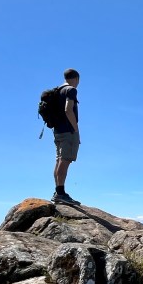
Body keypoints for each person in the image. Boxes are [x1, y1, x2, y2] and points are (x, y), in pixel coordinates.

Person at [52, 68, 82, 205]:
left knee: (59, 160)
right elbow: (68, 110)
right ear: (76, 78)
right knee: (65, 161)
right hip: (68, 131)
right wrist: (75, 129)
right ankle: (60, 193)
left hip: (57, 131)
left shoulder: (57, 91)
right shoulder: (71, 90)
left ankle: (58, 191)